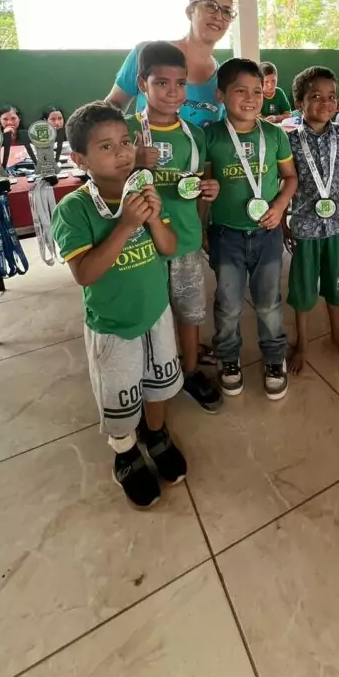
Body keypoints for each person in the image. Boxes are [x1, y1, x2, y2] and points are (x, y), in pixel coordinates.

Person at [51, 102, 186, 509]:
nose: (123, 152)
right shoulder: (73, 210)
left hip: (156, 314)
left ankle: (157, 435)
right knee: (121, 395)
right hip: (112, 324)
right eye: (107, 147)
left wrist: (153, 220)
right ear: (80, 159)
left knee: (158, 385)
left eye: (126, 142)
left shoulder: (145, 192)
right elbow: (85, 274)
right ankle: (125, 453)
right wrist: (126, 224)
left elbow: (169, 248)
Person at [129, 41, 222, 413]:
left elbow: (197, 184)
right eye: (162, 83)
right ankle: (148, 376)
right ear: (142, 84)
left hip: (184, 239)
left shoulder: (194, 136)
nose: (173, 92)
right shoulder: (125, 132)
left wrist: (207, 196)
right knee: (149, 314)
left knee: (190, 309)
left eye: (180, 83)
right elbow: (101, 178)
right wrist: (133, 160)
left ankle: (190, 369)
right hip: (139, 244)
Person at [204, 58, 298, 400]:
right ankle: (228, 358)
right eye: (240, 90)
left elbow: (290, 178)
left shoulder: (274, 136)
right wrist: (203, 225)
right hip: (226, 234)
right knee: (228, 303)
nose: (250, 98)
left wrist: (278, 207)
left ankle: (274, 358)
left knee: (269, 302)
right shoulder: (209, 136)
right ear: (220, 94)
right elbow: (204, 183)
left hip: (267, 234)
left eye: (257, 91)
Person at [284, 66, 339, 373]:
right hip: (305, 227)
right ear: (299, 103)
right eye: (315, 96)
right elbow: (283, 183)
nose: (326, 103)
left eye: (332, 96)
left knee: (337, 284)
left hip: (338, 227)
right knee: (303, 290)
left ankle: (337, 334)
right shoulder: (289, 142)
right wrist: (282, 219)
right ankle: (302, 341)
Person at [106, 0, 236, 128]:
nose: (218, 16)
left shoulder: (224, 79)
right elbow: (114, 104)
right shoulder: (148, 54)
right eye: (210, 5)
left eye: (226, 11)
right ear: (190, 11)